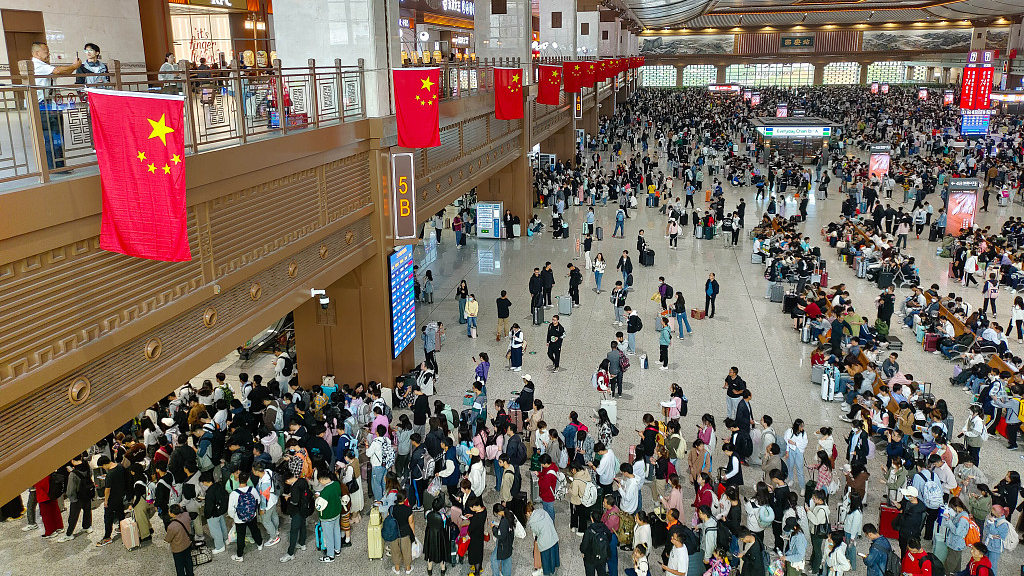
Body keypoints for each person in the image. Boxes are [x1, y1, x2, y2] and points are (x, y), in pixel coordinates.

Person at [30, 42, 81, 171]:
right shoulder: (36, 65)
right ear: (37, 53)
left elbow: (60, 73)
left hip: (50, 105)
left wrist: (73, 68)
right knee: (50, 137)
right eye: (46, 51)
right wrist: (74, 66)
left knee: (56, 137)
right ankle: (53, 168)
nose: (48, 54)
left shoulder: (43, 66)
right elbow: (58, 71)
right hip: (43, 106)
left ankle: (59, 165)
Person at [227, 470, 264, 562]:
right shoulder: (252, 490)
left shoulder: (234, 494)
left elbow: (230, 510)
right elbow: (258, 501)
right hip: (252, 516)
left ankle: (239, 555)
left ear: (238, 480)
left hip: (239, 519)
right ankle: (259, 544)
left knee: (240, 535)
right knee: (255, 530)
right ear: (248, 480)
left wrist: (235, 517)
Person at [528, 501, 561, 575]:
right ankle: (553, 571)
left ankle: (547, 572)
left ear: (528, 513)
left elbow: (536, 534)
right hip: (553, 536)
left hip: (545, 542)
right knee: (552, 557)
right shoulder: (542, 511)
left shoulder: (532, 522)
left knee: (546, 559)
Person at [390, 490, 416, 573]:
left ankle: (397, 569)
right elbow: (411, 522)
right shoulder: (408, 509)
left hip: (394, 533)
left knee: (395, 550)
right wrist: (413, 533)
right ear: (405, 499)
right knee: (406, 551)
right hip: (405, 533)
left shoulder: (392, 508)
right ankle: (408, 569)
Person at [164, 504, 194, 576]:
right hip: (187, 543)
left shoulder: (172, 526)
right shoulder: (186, 515)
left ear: (173, 514)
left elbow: (168, 539)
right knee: (188, 561)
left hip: (178, 549)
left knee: (180, 566)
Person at [424, 498, 451, 575]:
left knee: (430, 551)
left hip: (430, 534)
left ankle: (429, 569)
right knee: (441, 551)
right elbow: (444, 524)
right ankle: (442, 570)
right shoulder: (442, 516)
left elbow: (427, 521)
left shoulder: (427, 513)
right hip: (440, 535)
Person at [582, 509, 613, 576]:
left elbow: (584, 546)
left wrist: (583, 552)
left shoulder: (589, 531)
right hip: (602, 556)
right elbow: (609, 538)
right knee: (602, 572)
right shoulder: (605, 528)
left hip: (590, 558)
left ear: (592, 519)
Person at [490, 503, 514, 576]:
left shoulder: (504, 521)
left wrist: (493, 528)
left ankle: (496, 574)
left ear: (499, 512)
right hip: (509, 542)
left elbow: (500, 535)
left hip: (503, 544)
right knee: (507, 559)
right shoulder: (510, 514)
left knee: (494, 559)